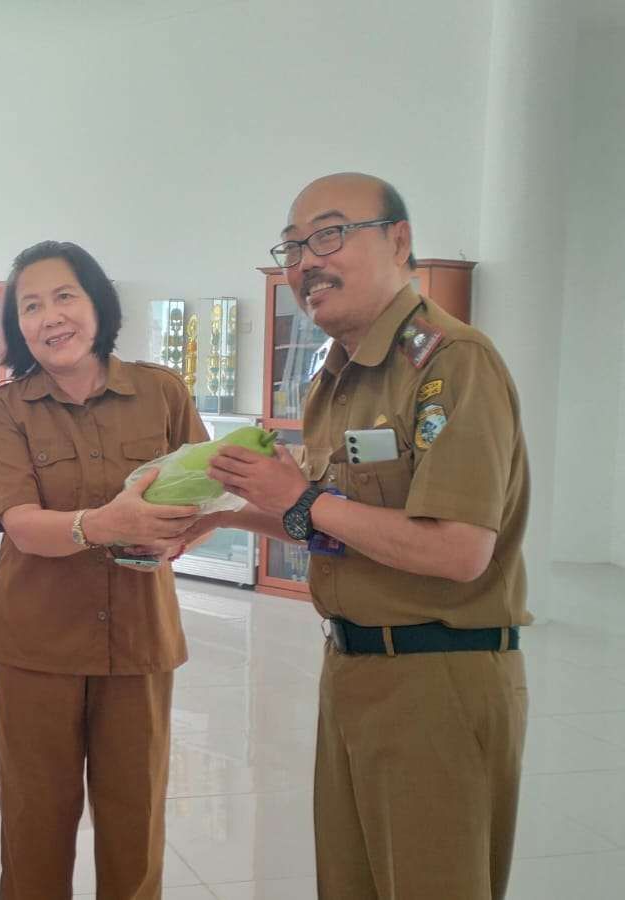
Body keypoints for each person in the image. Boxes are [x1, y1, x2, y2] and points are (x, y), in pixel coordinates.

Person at [202, 173, 530, 900]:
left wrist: (302, 498)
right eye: (293, 247)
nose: (305, 264)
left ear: (399, 241)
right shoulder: (339, 376)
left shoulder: (451, 363)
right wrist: (221, 516)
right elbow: (338, 526)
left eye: (329, 235)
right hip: (354, 669)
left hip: (437, 679)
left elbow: (459, 549)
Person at [0, 240, 208, 899]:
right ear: (18, 325)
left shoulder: (161, 391)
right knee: (35, 824)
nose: (50, 316)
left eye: (64, 296)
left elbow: (205, 490)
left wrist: (179, 535)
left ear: (97, 303)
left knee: (136, 823)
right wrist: (103, 524)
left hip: (138, 640)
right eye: (31, 306)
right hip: (36, 645)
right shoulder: (5, 407)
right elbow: (21, 522)